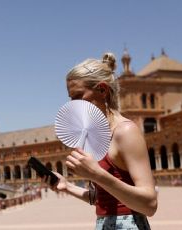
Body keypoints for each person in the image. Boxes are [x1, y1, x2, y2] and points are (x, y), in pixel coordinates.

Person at [44, 53, 157, 229]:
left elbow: (149, 204)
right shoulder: (95, 135)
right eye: (70, 98)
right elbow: (104, 198)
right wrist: (67, 187)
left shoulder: (125, 132)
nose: (73, 104)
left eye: (78, 96)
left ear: (103, 90)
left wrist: (97, 175)